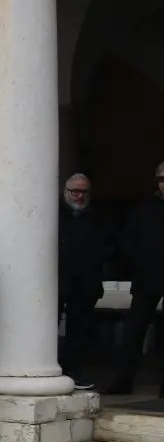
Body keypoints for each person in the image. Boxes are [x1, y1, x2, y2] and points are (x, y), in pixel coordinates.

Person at [109, 164, 164, 395]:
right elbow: (127, 243)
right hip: (146, 280)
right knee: (133, 333)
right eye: (162, 178)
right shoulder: (143, 209)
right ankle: (123, 381)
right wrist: (139, 265)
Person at [57, 173, 109, 391]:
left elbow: (109, 246)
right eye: (74, 191)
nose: (79, 196)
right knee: (47, 327)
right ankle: (50, 370)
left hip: (86, 283)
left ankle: (74, 373)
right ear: (65, 192)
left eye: (84, 192)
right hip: (56, 282)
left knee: (79, 331)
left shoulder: (100, 217)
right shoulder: (53, 215)